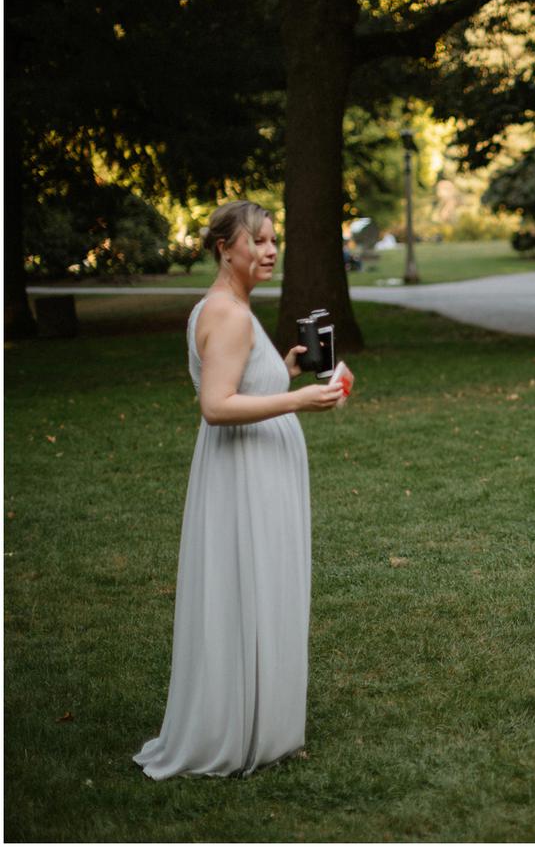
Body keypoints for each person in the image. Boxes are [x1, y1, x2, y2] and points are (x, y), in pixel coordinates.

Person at [135, 200, 343, 779]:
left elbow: (240, 379)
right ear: (226, 247)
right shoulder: (225, 313)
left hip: (259, 470)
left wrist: (287, 370)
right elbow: (216, 405)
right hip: (245, 472)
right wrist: (299, 399)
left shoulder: (232, 307)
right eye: (258, 240)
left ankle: (264, 722)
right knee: (250, 585)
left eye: (275, 239)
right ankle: (241, 727)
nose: (270, 250)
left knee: (260, 587)